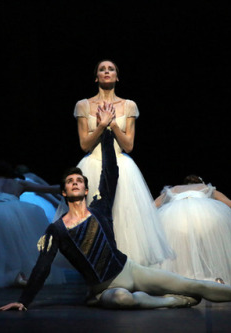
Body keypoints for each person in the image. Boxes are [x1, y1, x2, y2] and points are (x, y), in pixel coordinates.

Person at [0, 117, 231, 311]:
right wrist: (24, 301)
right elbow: (42, 266)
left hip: (130, 269)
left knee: (196, 284)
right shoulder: (57, 230)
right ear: (64, 192)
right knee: (122, 298)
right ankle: (169, 303)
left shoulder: (99, 209)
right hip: (103, 289)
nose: (75, 183)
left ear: (86, 190)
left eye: (79, 181)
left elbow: (110, 173)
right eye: (70, 182)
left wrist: (108, 132)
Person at [71, 59, 171, 266]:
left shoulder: (129, 105)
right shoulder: (83, 105)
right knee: (94, 220)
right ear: (96, 77)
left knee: (124, 219)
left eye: (111, 69)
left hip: (121, 167)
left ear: (117, 76)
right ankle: (96, 274)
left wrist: (114, 124)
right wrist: (101, 125)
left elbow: (128, 145)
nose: (106, 72)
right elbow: (84, 144)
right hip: (93, 165)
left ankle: (125, 271)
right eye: (102, 69)